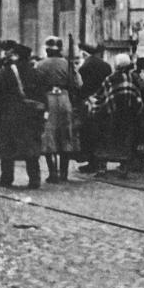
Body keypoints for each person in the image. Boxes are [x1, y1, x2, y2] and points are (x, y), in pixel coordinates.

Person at [0, 41, 46, 189]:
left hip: (10, 115)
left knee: (7, 147)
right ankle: (34, 179)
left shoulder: (7, 72)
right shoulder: (35, 72)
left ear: (16, 56)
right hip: (31, 116)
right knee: (31, 148)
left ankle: (7, 179)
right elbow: (42, 97)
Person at [35, 36, 82, 183]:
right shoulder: (68, 64)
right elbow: (78, 83)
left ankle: (53, 173)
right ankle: (64, 174)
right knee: (66, 134)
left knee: (49, 135)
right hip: (64, 99)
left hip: (48, 100)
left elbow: (35, 84)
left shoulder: (40, 65)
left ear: (47, 50)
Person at [87, 53, 143, 175]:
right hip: (128, 115)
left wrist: (95, 107)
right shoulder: (134, 78)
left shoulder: (111, 79)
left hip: (111, 115)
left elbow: (101, 96)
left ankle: (102, 167)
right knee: (125, 141)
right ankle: (124, 167)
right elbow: (137, 97)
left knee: (107, 140)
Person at [77, 43, 112, 172]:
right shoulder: (106, 66)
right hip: (104, 101)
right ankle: (102, 162)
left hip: (89, 103)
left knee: (89, 133)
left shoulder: (85, 66)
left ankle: (92, 162)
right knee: (102, 133)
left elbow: (81, 86)